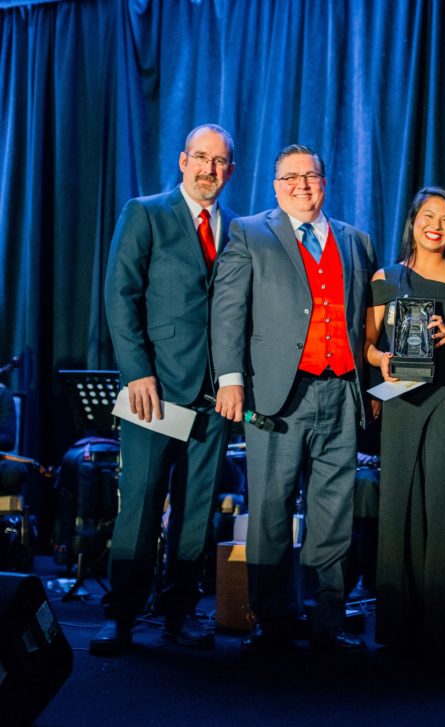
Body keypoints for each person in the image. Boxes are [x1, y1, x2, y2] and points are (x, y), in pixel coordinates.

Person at [212, 144, 377, 653]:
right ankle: (274, 618)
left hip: (341, 392)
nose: (301, 184)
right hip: (274, 396)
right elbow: (228, 310)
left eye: (311, 176)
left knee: (333, 510)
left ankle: (328, 618)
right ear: (275, 184)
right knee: (270, 507)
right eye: (290, 177)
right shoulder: (250, 233)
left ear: (325, 182)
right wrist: (230, 378)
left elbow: (366, 321)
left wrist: (371, 386)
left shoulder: (356, 240)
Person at [91, 124, 237, 655]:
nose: (208, 170)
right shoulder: (145, 212)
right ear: (182, 161)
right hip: (153, 392)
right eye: (200, 158)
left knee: (197, 510)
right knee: (143, 504)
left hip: (216, 396)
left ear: (231, 170)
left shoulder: (239, 230)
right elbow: (119, 295)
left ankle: (181, 612)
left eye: (219, 162)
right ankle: (122, 616)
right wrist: (137, 373)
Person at [364, 187, 445, 653]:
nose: (436, 224)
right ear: (412, 221)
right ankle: (399, 623)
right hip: (400, 397)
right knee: (399, 500)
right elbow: (367, 344)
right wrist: (381, 359)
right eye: (427, 215)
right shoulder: (385, 277)